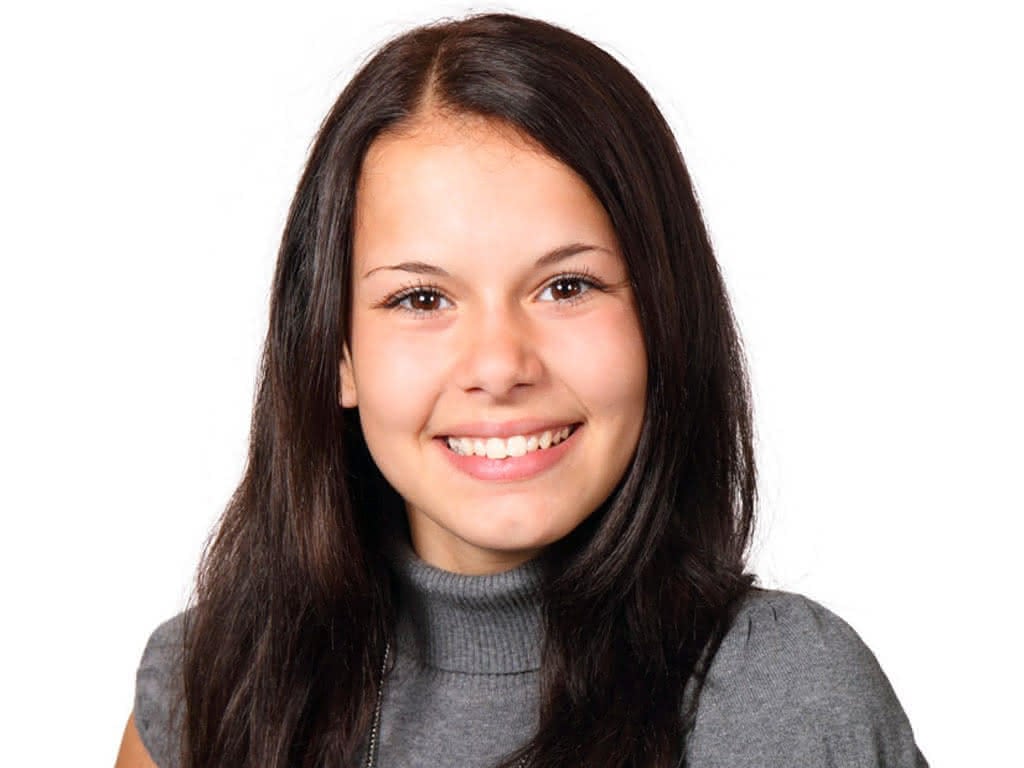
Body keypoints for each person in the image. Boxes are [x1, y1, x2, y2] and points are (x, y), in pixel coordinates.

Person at [115, 12, 928, 768]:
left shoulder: (792, 695)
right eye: (421, 299)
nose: (500, 365)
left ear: (663, 318)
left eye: (567, 287)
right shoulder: (208, 685)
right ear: (337, 354)